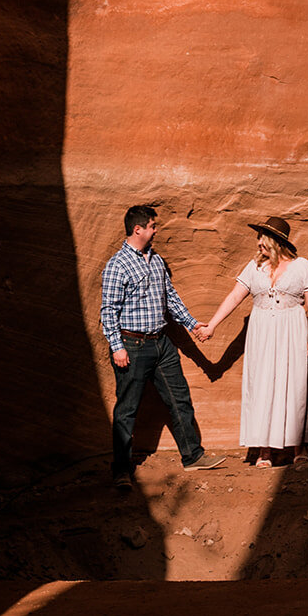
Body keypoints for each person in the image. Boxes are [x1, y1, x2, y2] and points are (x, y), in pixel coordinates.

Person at [100, 203, 225, 486]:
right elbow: (108, 310)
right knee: (127, 409)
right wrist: (116, 346)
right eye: (153, 226)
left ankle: (193, 456)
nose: (156, 231)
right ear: (138, 229)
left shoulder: (155, 260)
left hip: (162, 344)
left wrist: (193, 324)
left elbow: (170, 298)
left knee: (179, 398)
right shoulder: (117, 265)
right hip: (131, 345)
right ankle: (121, 469)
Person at [202, 216, 308, 465]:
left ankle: (299, 448)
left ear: (276, 242)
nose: (258, 244)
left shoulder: (302, 266)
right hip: (262, 332)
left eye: (262, 239)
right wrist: (212, 324)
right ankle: (265, 451)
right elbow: (235, 296)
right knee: (263, 386)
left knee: (295, 385)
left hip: (293, 330)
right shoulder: (254, 267)